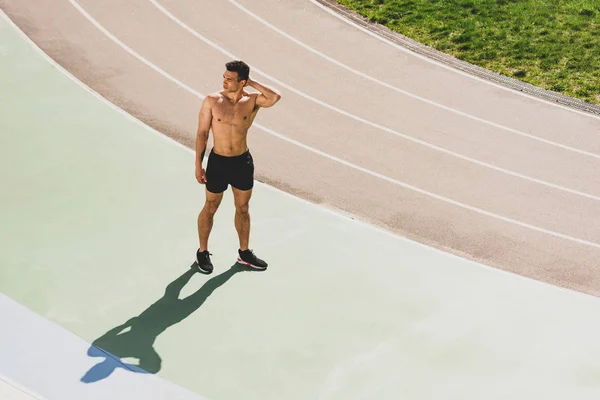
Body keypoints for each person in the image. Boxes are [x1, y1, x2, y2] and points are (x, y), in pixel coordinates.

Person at [194, 60, 281, 274]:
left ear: (241, 82)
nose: (224, 81)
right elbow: (202, 133)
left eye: (230, 79)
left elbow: (275, 97)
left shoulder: (251, 101)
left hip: (242, 162)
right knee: (211, 206)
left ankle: (244, 253)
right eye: (224, 77)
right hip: (218, 162)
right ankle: (202, 252)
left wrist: (251, 82)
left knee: (243, 208)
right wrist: (198, 164)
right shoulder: (212, 101)